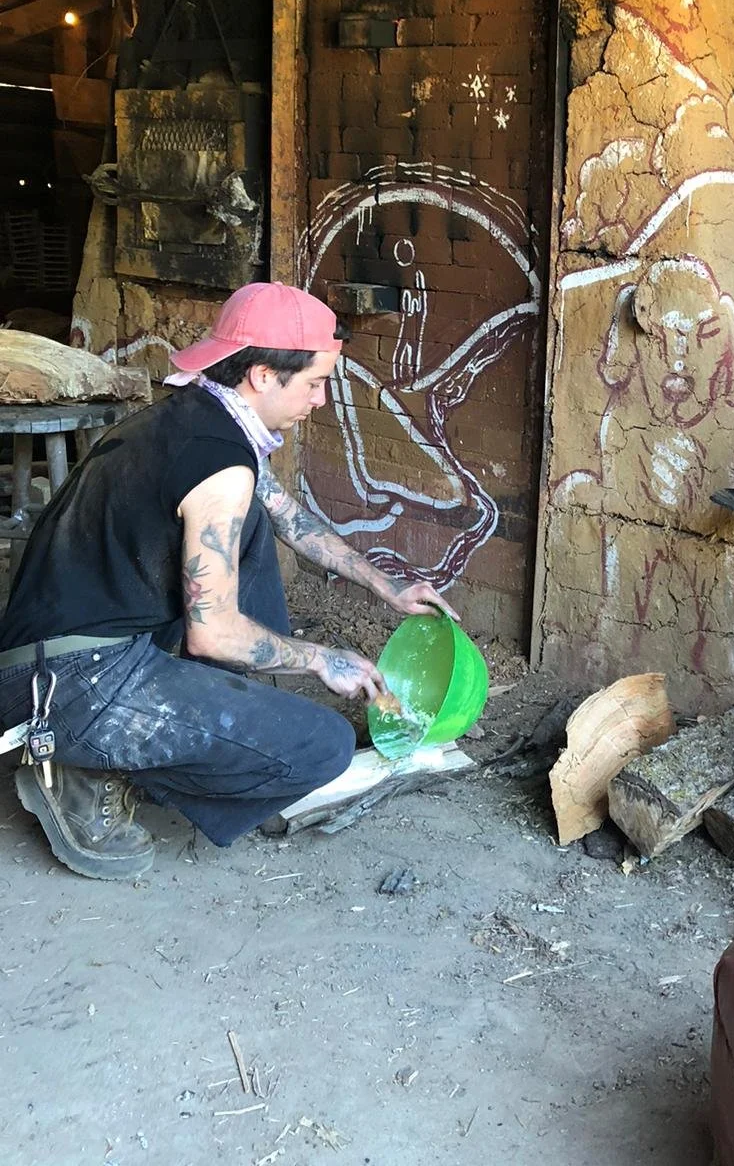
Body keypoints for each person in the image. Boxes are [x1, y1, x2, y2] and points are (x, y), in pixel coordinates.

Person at [0, 283, 453, 881]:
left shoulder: (198, 419)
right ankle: (84, 768)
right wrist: (323, 659)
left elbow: (290, 517)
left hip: (63, 651)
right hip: (67, 685)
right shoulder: (220, 467)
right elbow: (213, 635)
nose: (320, 400)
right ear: (264, 376)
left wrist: (386, 586)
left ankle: (185, 740)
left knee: (258, 531)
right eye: (315, 383)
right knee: (323, 746)